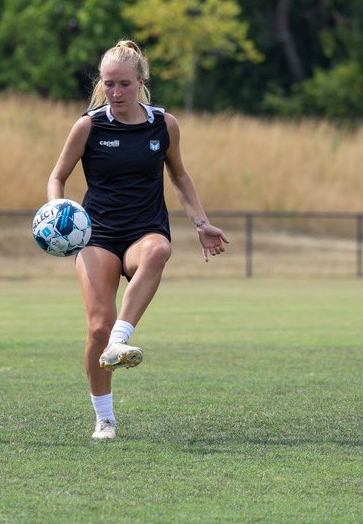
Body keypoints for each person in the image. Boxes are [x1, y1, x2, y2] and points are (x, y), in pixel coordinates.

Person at [47, 40, 229, 440]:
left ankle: (119, 341)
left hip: (144, 229)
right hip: (97, 236)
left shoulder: (163, 125)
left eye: (124, 84)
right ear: (101, 84)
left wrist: (202, 224)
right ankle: (104, 417)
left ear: (141, 82)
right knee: (96, 327)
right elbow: (57, 175)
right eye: (109, 84)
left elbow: (179, 176)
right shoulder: (89, 125)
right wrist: (56, 210)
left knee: (160, 249)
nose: (116, 92)